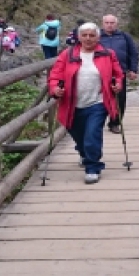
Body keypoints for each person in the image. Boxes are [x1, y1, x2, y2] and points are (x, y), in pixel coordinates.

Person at [49, 22, 123, 185]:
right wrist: (55, 89)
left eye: (92, 35)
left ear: (98, 37)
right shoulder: (66, 55)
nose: (88, 38)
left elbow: (118, 74)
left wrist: (117, 84)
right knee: (77, 134)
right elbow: (55, 75)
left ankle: (92, 167)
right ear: (79, 37)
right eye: (84, 35)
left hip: (98, 102)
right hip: (71, 103)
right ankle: (83, 153)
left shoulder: (107, 54)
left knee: (92, 135)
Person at [99, 14, 139, 134]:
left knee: (120, 99)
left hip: (119, 72)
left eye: (112, 23)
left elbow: (133, 53)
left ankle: (115, 123)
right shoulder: (96, 36)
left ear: (116, 24)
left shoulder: (124, 36)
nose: (109, 25)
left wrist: (133, 69)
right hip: (100, 73)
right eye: (107, 23)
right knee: (100, 98)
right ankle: (97, 122)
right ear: (103, 24)